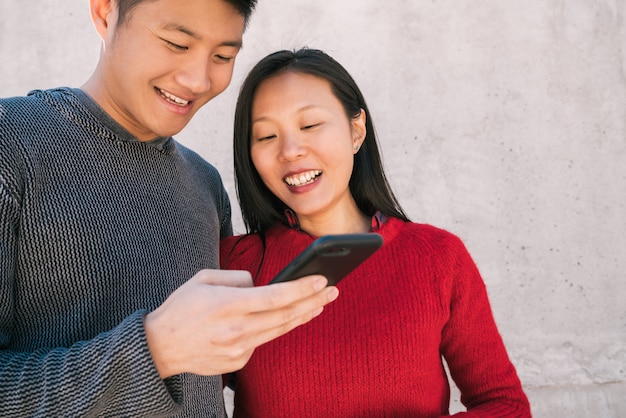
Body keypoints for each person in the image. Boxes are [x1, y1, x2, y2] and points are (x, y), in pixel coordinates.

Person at [0, 1, 339, 416]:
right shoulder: (11, 145)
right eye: (176, 43)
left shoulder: (205, 184)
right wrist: (155, 348)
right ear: (105, 12)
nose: (197, 79)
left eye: (222, 57)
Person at [220, 48, 532, 417]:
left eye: (309, 125)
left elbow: (505, 405)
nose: (290, 150)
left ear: (356, 131)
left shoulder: (437, 257)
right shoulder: (233, 267)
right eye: (267, 135)